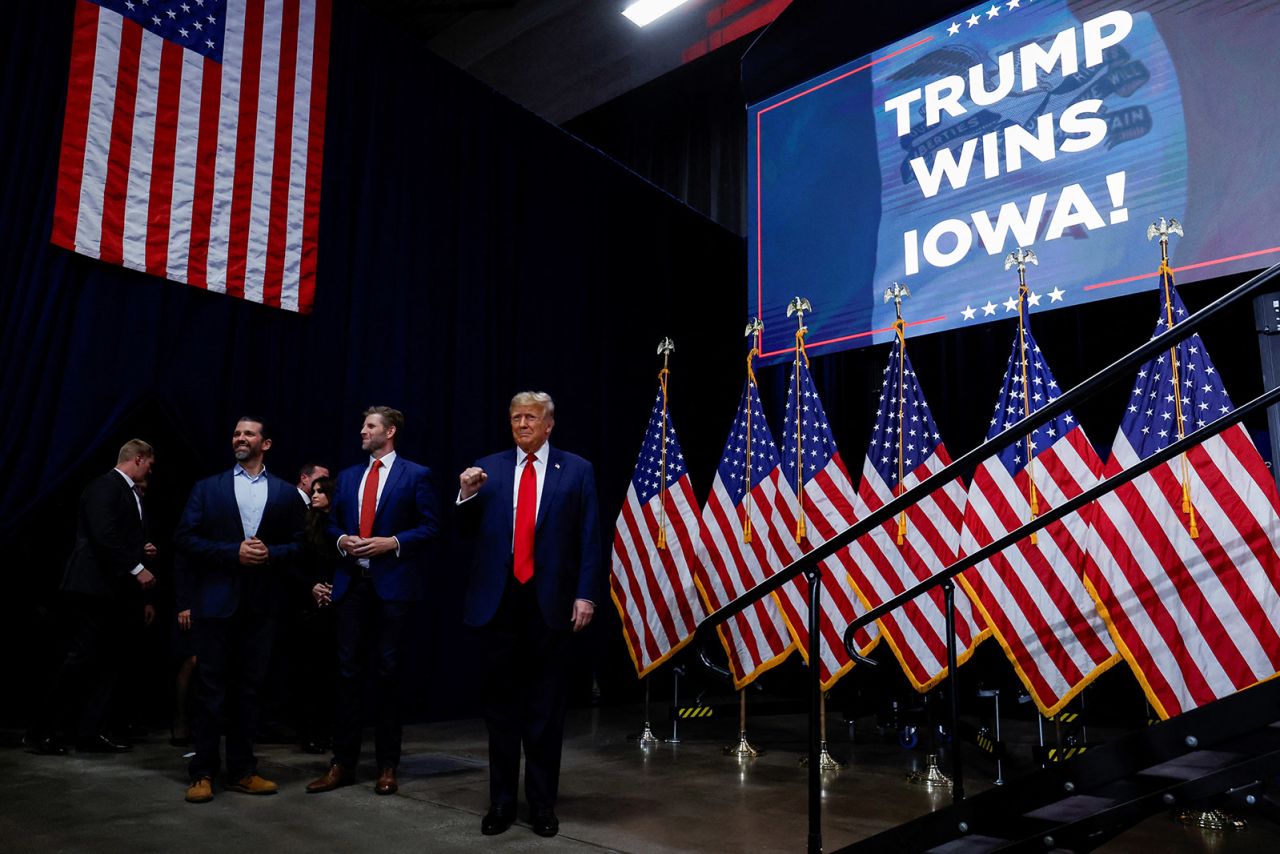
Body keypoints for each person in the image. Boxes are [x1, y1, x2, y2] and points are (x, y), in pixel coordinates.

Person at [456, 391, 602, 838]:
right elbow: (466, 534)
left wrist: (586, 595)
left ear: (549, 423)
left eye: (531, 417)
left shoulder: (577, 469)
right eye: (516, 417)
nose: (522, 424)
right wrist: (464, 494)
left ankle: (541, 805)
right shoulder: (487, 467)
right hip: (498, 605)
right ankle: (501, 803)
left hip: (550, 605)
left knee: (544, 713)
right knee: (500, 712)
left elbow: (589, 538)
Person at [306, 407, 439, 797]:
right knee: (346, 675)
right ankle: (342, 763)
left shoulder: (416, 475)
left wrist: (392, 542)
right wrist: (340, 539)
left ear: (390, 431)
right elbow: (330, 524)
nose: (362, 431)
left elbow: (431, 527)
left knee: (388, 675)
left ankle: (387, 765)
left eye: (370, 426)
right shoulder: (348, 476)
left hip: (392, 587)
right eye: (363, 425)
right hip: (351, 586)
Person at [175, 417, 305, 804]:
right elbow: (184, 538)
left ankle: (243, 770)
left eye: (248, 434)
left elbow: (300, 545)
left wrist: (269, 555)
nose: (240, 438)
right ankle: (202, 772)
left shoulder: (284, 492)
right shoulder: (207, 488)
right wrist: (233, 552)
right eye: (235, 433)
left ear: (266, 443)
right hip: (216, 603)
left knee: (250, 691)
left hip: (261, 606)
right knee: (211, 690)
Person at [26, 440, 158, 755]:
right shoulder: (105, 486)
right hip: (92, 588)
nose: (152, 469)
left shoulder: (127, 491)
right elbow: (104, 535)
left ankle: (90, 731)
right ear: (138, 458)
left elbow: (119, 536)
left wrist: (141, 550)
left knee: (108, 662)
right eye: (150, 463)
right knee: (81, 659)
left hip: (112, 590)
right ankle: (40, 731)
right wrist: (138, 566)